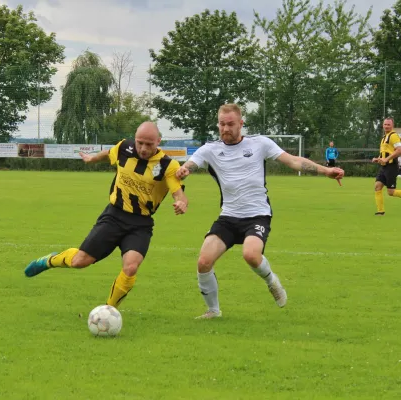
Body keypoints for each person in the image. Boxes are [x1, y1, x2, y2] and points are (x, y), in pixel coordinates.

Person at [176, 104, 345, 319]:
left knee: (251, 254)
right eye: (221, 124)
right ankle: (213, 311)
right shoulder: (210, 149)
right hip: (228, 217)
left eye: (230, 124)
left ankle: (271, 281)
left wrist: (325, 170)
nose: (225, 129)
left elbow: (293, 161)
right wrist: (184, 170)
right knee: (203, 262)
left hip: (257, 214)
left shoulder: (260, 144)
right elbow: (191, 164)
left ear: (241, 124)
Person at [24, 121, 188, 309]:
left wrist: (182, 202)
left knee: (131, 266)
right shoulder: (124, 147)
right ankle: (49, 260)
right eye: (139, 142)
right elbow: (109, 154)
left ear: (159, 141)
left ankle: (109, 309)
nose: (143, 148)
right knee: (79, 261)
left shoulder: (169, 165)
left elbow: (178, 193)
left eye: (149, 144)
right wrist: (92, 159)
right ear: (134, 139)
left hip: (140, 224)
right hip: (113, 217)